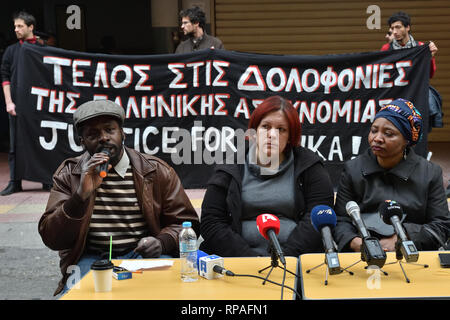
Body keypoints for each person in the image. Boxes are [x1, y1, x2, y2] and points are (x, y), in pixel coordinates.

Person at [38, 100, 199, 296]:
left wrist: (162, 242)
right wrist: (79, 197)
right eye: (93, 134)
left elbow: (186, 223)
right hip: (92, 258)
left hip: (144, 256)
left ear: (122, 133)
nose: (103, 138)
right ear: (82, 141)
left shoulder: (156, 170)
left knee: (175, 294)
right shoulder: (69, 174)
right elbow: (52, 238)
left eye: (109, 130)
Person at [199, 96, 334, 258]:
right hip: (238, 261)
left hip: (295, 260)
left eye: (281, 129)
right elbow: (211, 222)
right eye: (265, 127)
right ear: (254, 131)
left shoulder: (310, 167)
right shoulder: (230, 167)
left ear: (290, 136)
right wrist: (248, 260)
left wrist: (286, 259)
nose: (272, 135)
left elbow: (318, 216)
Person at [334, 98, 450, 253]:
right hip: (360, 255)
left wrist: (403, 238)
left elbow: (441, 225)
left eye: (388, 134)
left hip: (413, 254)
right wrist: (357, 243)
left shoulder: (430, 173)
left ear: (407, 140)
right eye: (374, 130)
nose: (377, 138)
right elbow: (341, 220)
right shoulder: (352, 169)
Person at [0, 11, 51, 195]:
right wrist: (9, 102)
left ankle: (46, 180)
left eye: (20, 26)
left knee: (42, 141)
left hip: (39, 103)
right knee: (15, 145)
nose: (16, 29)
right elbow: (4, 77)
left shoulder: (43, 47)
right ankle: (15, 181)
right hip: (16, 105)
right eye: (15, 26)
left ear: (31, 27)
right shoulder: (11, 50)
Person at [381, 11, 437, 78]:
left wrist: (430, 57)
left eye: (398, 27)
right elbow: (382, 74)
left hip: (415, 87)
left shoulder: (420, 47)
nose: (395, 32)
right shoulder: (386, 48)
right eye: (392, 28)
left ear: (407, 27)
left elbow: (430, 75)